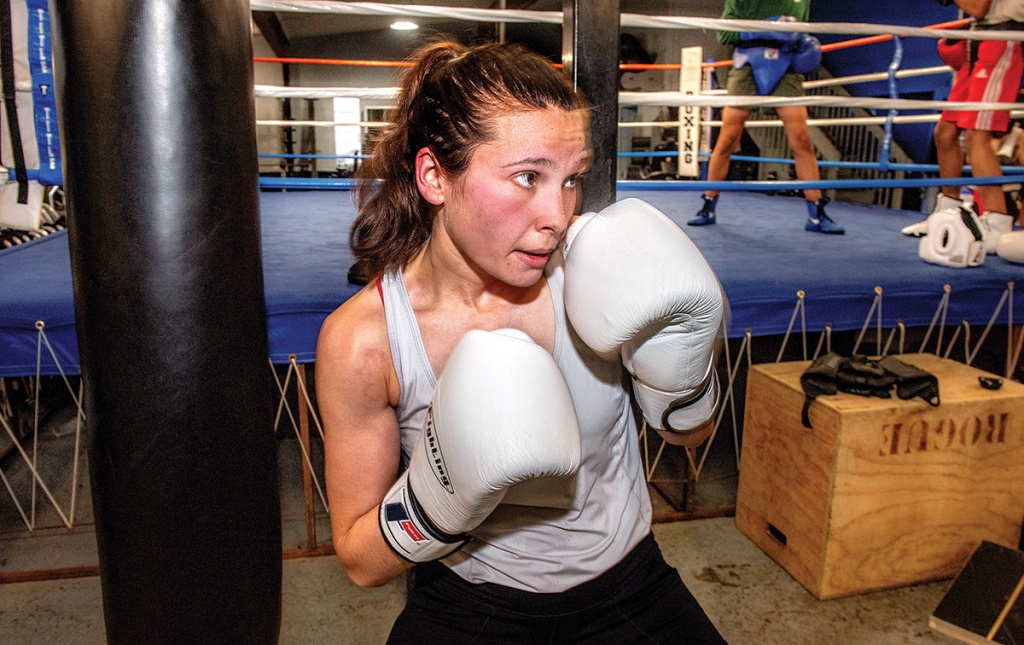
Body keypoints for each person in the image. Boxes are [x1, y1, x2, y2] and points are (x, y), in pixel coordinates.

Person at [315, 40, 728, 644]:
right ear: (434, 176)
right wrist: (435, 505)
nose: (558, 214)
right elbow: (359, 559)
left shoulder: (597, 272)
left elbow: (688, 437)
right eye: (528, 177)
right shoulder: (366, 340)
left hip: (631, 589)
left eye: (571, 179)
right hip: (467, 607)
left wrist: (686, 374)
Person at [689, 0, 844, 234]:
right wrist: (761, 28)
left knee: (801, 139)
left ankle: (816, 214)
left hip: (786, 67)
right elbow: (723, 33)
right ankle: (708, 206)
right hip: (748, 65)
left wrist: (802, 40)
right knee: (729, 138)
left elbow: (801, 29)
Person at [903, 0, 1024, 247]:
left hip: (1003, 37)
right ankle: (947, 212)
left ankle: (997, 223)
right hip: (977, 36)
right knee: (945, 132)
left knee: (976, 135)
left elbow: (978, 6)